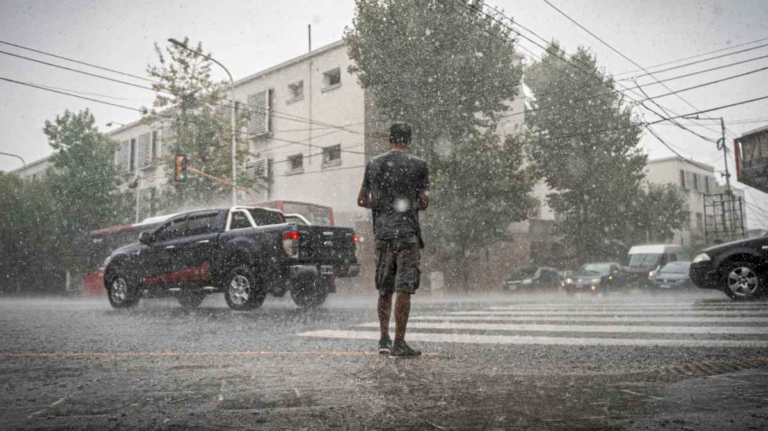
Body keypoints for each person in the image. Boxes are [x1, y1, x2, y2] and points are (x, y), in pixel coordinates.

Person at [357, 122, 429, 359]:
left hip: (383, 234)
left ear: (390, 139)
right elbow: (424, 202)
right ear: (409, 141)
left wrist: (381, 205)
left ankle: (383, 339)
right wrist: (406, 204)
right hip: (407, 234)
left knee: (384, 288)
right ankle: (399, 342)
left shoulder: (373, 164)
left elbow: (361, 200)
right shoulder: (420, 165)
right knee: (404, 288)